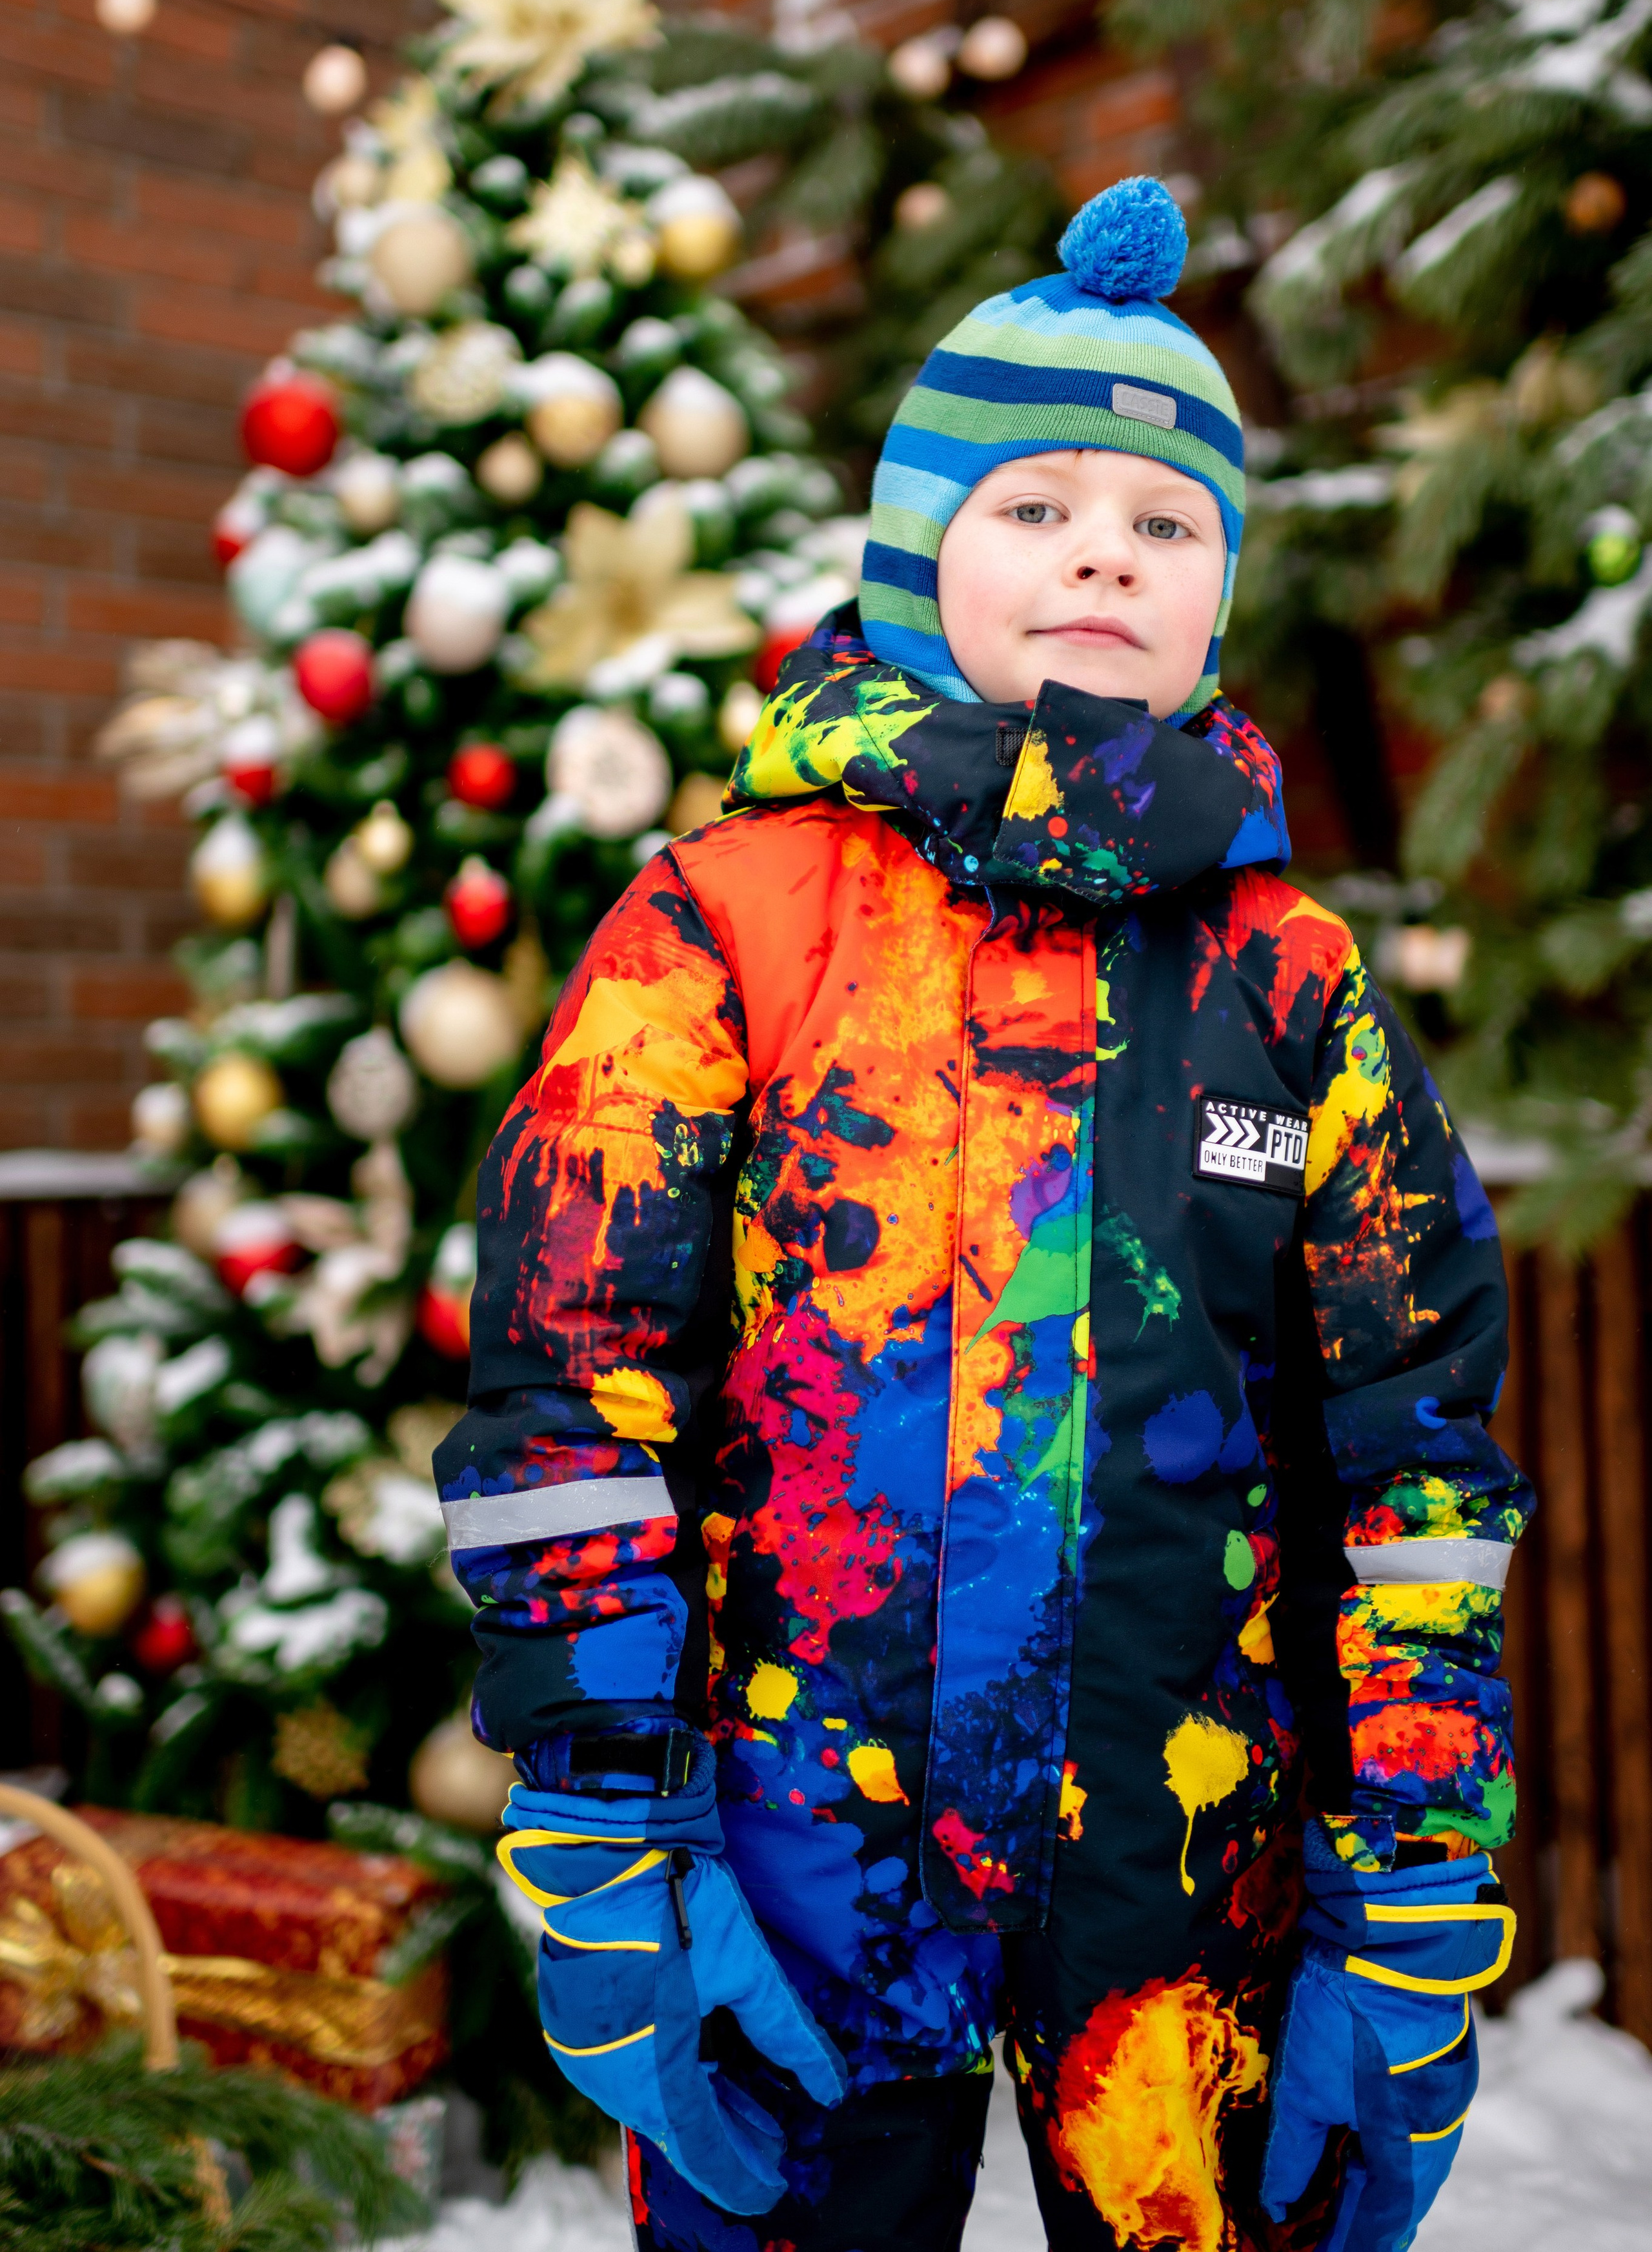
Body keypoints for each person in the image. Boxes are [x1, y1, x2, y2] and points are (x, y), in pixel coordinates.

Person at [434, 176, 1531, 2252]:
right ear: (916, 549)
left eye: (1166, 522)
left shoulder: (1290, 986)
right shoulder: (727, 924)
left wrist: (1409, 1881)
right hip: (791, 1860)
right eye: (1035, 504)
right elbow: (575, 1384)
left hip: (1194, 1883)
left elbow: (1418, 1448)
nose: (1105, 548)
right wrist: (597, 1809)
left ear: (1218, 599)